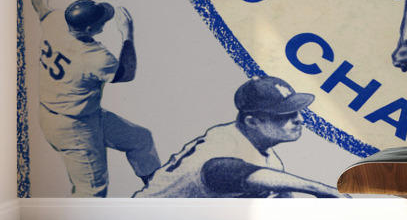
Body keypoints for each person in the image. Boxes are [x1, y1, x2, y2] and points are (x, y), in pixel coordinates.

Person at [18, 0, 161, 197]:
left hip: (80, 114)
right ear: (88, 29)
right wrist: (127, 33)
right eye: (100, 22)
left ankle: (159, 191)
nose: (103, 23)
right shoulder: (94, 57)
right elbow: (126, 74)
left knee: (140, 139)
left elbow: (40, 7)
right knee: (93, 192)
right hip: (73, 128)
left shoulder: (57, 22)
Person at [133, 76, 347, 198]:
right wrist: (320, 189)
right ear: (252, 122)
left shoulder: (268, 158)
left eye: (297, 111)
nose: (299, 119)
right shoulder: (223, 143)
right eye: (284, 114)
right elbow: (230, 172)